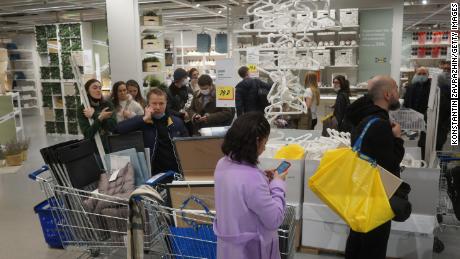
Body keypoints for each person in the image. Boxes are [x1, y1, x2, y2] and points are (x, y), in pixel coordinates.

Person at [343, 75, 405, 259]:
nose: (398, 93)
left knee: (357, 240)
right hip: (376, 198)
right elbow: (391, 161)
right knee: (373, 247)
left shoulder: (364, 119)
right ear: (387, 94)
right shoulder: (379, 124)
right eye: (395, 89)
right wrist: (398, 139)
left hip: (360, 192)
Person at [214, 112, 288, 259]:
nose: (265, 148)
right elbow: (274, 219)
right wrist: (278, 183)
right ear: (256, 141)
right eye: (265, 143)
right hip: (251, 250)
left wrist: (262, 177)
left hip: (228, 248)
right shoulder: (253, 179)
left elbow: (241, 193)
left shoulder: (222, 164)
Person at [116, 87, 189, 176]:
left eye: (161, 103)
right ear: (148, 104)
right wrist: (144, 118)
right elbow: (118, 129)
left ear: (166, 104)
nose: (158, 107)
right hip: (152, 173)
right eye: (154, 103)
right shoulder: (143, 122)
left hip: (176, 172)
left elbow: (187, 146)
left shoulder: (176, 122)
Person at [78, 79, 117, 152]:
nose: (98, 90)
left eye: (100, 88)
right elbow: (88, 134)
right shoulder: (83, 109)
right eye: (95, 88)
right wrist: (100, 118)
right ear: (87, 91)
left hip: (108, 146)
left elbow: (113, 127)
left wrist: (94, 115)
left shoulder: (108, 104)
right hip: (92, 149)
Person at [403, 67, 431, 159]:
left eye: (424, 74)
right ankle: (410, 158)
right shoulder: (410, 86)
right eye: (419, 74)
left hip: (426, 120)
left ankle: (421, 159)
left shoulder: (431, 87)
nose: (421, 76)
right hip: (411, 118)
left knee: (422, 142)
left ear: (428, 75)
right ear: (415, 74)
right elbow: (406, 102)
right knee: (410, 141)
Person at [437, 60, 451, 150]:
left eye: (448, 69)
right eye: (444, 69)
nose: (446, 71)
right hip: (437, 119)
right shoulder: (436, 87)